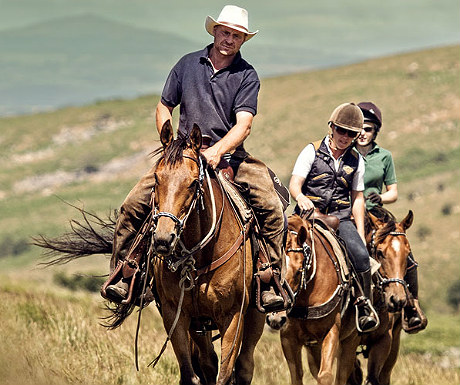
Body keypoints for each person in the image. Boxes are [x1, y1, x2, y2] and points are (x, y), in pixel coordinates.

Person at [104, 5, 286, 311]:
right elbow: (164, 106)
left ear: (243, 41)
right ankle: (126, 275)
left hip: (228, 156)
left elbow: (244, 124)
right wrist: (169, 143)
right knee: (133, 205)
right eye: (225, 32)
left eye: (237, 36)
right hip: (183, 155)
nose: (229, 39)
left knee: (271, 205)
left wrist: (217, 151)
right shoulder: (187, 64)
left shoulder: (246, 75)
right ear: (214, 31)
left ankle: (268, 278)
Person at [289, 102, 379, 333]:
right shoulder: (311, 150)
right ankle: (271, 297)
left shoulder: (357, 160)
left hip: (340, 217)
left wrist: (360, 232)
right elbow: (295, 185)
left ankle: (363, 304)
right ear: (332, 127)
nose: (345, 136)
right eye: (341, 130)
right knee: (276, 246)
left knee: (360, 256)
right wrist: (300, 198)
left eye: (352, 133)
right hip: (308, 215)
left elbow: (357, 197)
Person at [356, 102, 427, 333]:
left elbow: (394, 192)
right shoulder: (346, 152)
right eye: (360, 128)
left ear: (375, 131)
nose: (363, 133)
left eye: (368, 129)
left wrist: (381, 198)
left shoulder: (384, 156)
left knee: (404, 251)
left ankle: (412, 305)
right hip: (349, 211)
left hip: (376, 212)